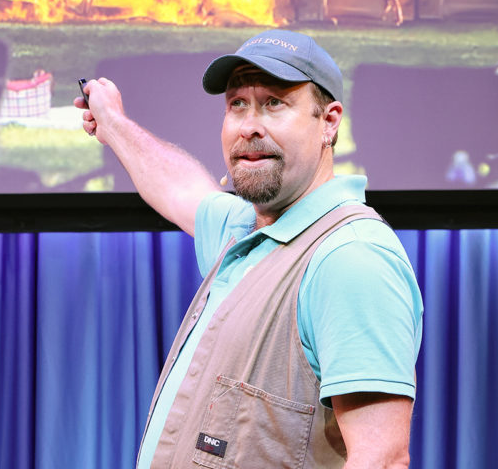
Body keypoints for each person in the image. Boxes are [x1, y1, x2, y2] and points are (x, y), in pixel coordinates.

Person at [76, 29, 423, 469]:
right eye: (237, 104)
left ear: (329, 121)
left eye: (274, 103)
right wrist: (114, 125)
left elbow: (383, 459)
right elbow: (182, 189)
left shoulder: (350, 257)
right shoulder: (247, 233)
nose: (249, 125)